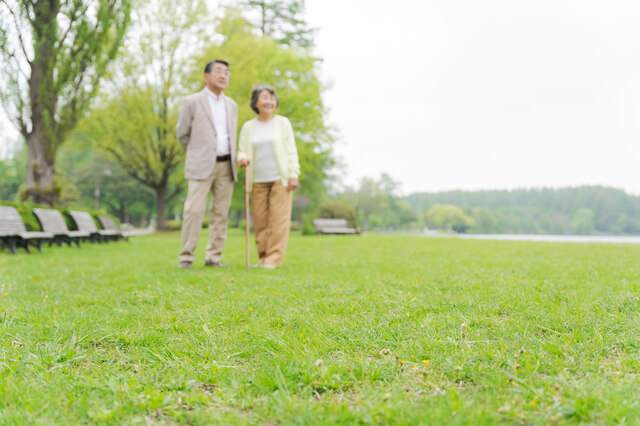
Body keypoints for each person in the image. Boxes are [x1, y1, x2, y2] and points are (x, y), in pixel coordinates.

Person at [176, 59, 238, 268]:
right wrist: (196, 154)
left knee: (220, 213)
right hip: (200, 165)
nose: (223, 76)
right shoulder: (192, 101)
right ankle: (186, 256)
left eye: (226, 73)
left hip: (226, 165)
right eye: (218, 71)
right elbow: (182, 134)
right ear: (206, 76)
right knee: (193, 211)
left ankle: (214, 256)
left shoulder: (232, 105)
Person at [237, 85, 300, 268]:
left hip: (280, 179)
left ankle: (273, 259)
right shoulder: (248, 127)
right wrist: (242, 159)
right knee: (261, 221)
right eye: (264, 97)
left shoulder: (282, 123)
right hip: (257, 180)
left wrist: (293, 174)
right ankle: (263, 257)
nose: (269, 101)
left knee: (278, 221)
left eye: (272, 97)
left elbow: (291, 150)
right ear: (255, 102)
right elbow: (241, 151)